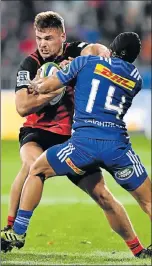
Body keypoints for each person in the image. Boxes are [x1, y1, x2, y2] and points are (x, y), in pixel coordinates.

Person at [1, 11, 139, 257]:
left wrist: (101, 52)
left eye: (49, 38)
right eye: (39, 37)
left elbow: (94, 49)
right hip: (37, 132)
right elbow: (22, 107)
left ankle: (138, 250)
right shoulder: (29, 64)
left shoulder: (75, 52)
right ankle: (12, 229)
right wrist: (51, 92)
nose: (42, 44)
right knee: (32, 165)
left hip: (73, 139)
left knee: (102, 195)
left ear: (62, 37)